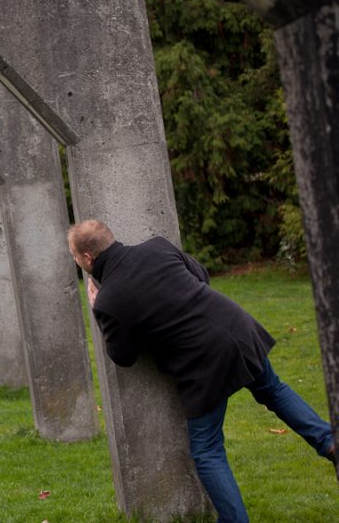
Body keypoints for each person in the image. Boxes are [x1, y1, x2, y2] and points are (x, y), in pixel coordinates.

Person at [67, 219, 334, 523]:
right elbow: (201, 277)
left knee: (207, 449)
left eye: (74, 256)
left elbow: (123, 356)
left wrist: (98, 307)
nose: (76, 261)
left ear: (87, 258)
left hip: (202, 360)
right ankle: (329, 442)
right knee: (274, 390)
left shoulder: (109, 299)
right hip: (236, 327)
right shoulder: (158, 246)